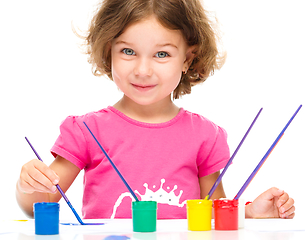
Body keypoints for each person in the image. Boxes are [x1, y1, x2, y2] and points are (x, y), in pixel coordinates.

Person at [16, 0, 295, 219]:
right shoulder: (86, 131)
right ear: (108, 49)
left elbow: (212, 213)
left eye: (162, 54)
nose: (142, 70)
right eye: (128, 51)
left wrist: (248, 214)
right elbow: (39, 205)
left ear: (187, 59)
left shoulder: (205, 136)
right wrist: (28, 186)